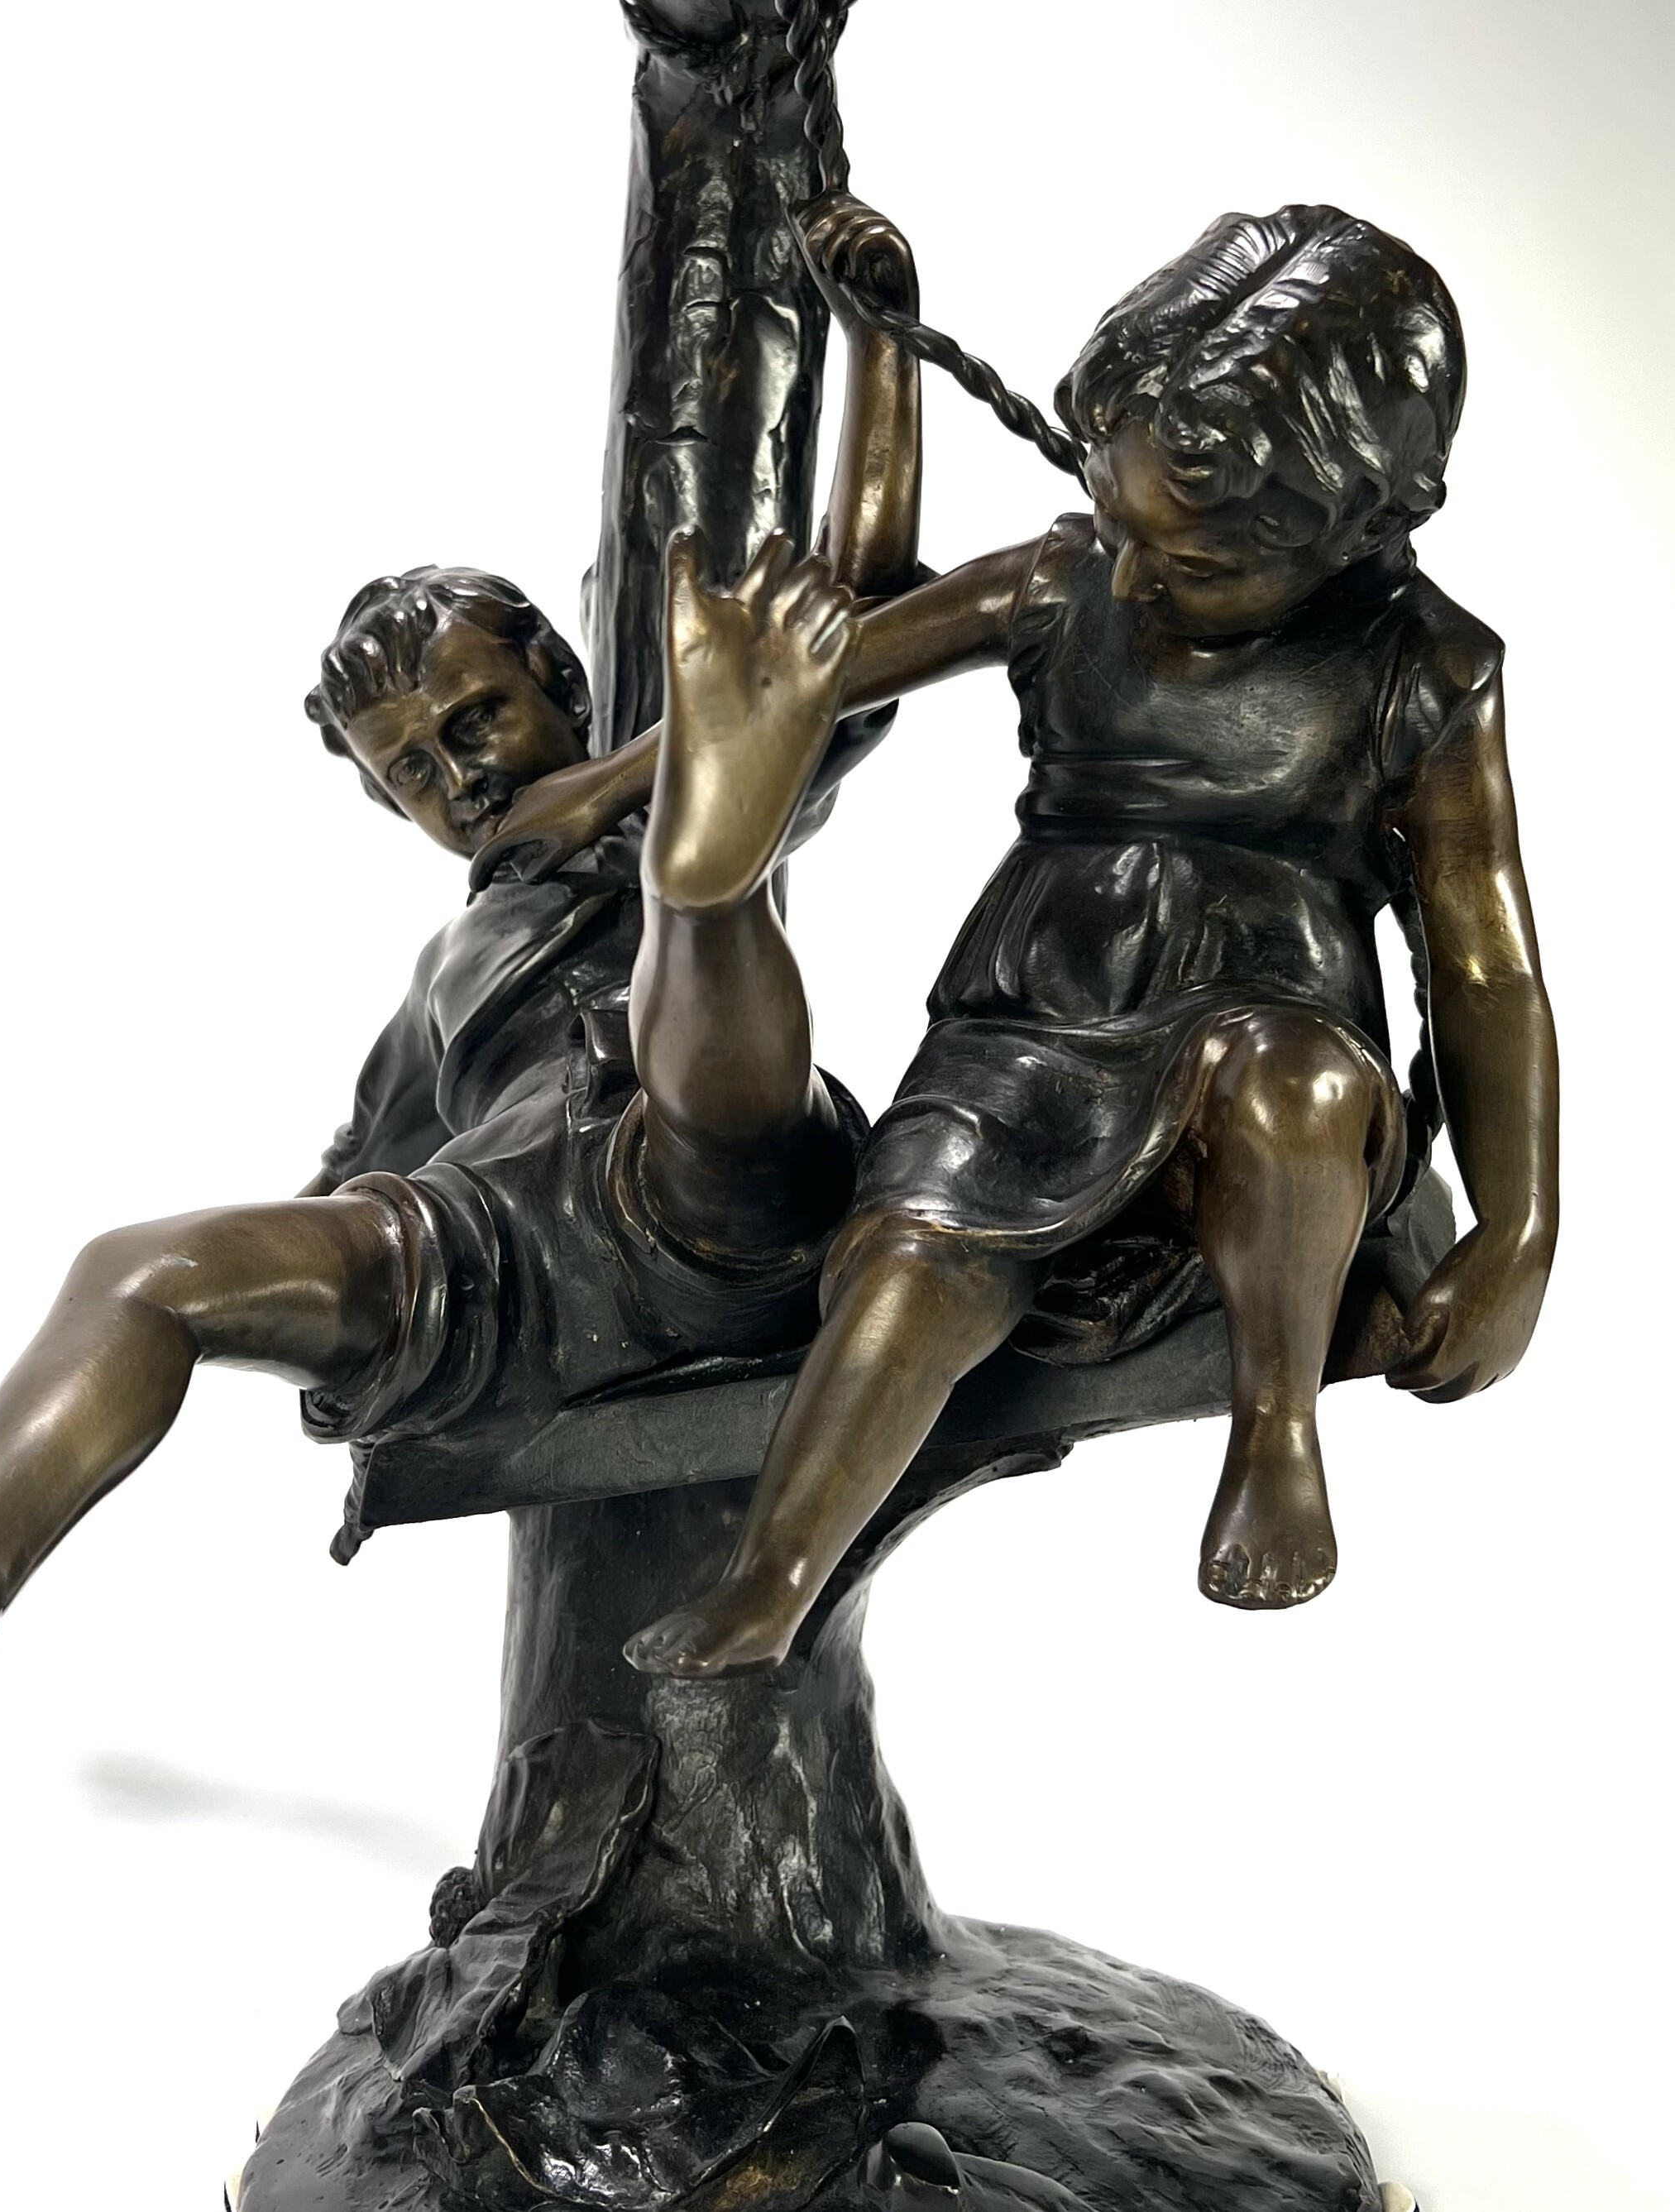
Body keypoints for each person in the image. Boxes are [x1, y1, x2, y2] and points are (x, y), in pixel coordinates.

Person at [0, 202, 926, 1695]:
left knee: (703, 885)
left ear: (559, 683)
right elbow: (349, 1169)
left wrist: (882, 353)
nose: (457, 775)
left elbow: (863, 617)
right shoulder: (445, 982)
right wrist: (282, 1285)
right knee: (144, 1262)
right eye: (413, 770)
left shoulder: (667, 770)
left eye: (477, 720)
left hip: (708, 1165)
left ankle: (704, 888)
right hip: (505, 1245)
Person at [476, 203, 1559, 1670]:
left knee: (1291, 1098)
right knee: (915, 1244)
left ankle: (1275, 1429)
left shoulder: (1424, 667)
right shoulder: (1063, 578)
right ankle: (774, 1571)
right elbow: (814, 673)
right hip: (1033, 1023)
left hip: (1275, 1020)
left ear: (1359, 527)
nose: (1129, 577)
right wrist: (613, 783)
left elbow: (1483, 963)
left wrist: (1517, 1229)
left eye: (1187, 563)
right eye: (1115, 522)